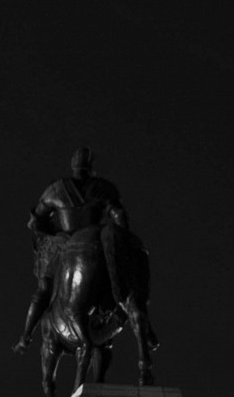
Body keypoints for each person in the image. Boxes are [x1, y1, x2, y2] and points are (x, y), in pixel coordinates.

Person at [14, 148, 155, 365]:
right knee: (130, 282)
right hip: (101, 238)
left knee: (43, 289)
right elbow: (118, 214)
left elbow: (36, 222)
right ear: (91, 166)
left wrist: (51, 231)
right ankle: (146, 328)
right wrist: (122, 235)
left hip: (66, 245)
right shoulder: (104, 188)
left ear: (73, 165)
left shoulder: (55, 190)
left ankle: (26, 336)